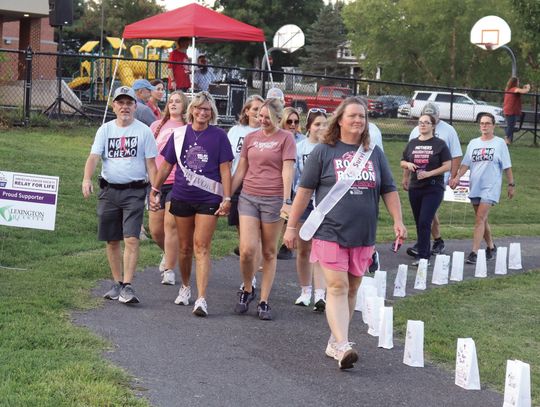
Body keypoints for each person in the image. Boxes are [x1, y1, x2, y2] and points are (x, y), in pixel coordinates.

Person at [283, 97, 406, 369]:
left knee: (352, 289)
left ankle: (336, 340)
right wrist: (292, 226)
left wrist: (398, 220)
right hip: (330, 230)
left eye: (362, 116)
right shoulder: (324, 152)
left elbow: (388, 188)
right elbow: (303, 191)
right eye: (353, 116)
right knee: (336, 286)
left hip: (363, 233)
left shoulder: (374, 153)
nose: (358, 120)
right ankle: (342, 345)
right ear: (340, 119)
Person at [150, 92, 233, 317]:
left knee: (201, 247)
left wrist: (227, 198)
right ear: (192, 110)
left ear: (212, 112)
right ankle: (185, 286)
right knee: (185, 248)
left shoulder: (219, 136)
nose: (202, 112)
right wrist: (155, 189)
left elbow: (226, 169)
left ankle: (202, 298)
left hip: (209, 198)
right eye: (199, 108)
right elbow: (166, 165)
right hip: (182, 196)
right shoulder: (179, 135)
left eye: (207, 109)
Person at [82, 86, 158, 304]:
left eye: (129, 103)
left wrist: (154, 190)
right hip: (109, 191)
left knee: (132, 239)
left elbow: (151, 164)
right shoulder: (105, 130)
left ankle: (127, 285)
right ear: (113, 105)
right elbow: (94, 157)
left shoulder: (144, 131)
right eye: (120, 103)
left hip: (134, 191)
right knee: (112, 240)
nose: (125, 107)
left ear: (135, 106)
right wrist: (86, 179)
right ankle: (116, 283)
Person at [231, 98, 296, 321]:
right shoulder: (250, 138)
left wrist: (287, 200)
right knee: (247, 250)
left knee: (269, 251)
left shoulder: (286, 138)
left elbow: (288, 170)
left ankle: (264, 300)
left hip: (274, 199)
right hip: (248, 196)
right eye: (261, 116)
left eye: (268, 117)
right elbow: (241, 169)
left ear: (279, 118)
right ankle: (248, 289)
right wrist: (227, 195)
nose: (263, 120)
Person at [449, 113, 515, 264]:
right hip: (475, 186)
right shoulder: (473, 143)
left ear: (493, 125)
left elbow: (507, 166)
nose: (484, 126)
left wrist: (511, 184)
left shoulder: (499, 143)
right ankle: (491, 247)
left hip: (490, 187)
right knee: (482, 220)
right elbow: (466, 164)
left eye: (487, 123)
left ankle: (474, 252)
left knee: (479, 219)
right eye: (482, 123)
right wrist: (457, 177)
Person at [404, 103, 462, 257]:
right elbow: (409, 156)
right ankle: (435, 241)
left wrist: (453, 177)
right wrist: (406, 177)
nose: (425, 123)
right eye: (423, 120)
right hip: (416, 182)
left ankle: (423, 248)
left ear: (437, 118)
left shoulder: (448, 132)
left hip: (436, 182)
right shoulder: (415, 133)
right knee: (425, 216)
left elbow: (455, 156)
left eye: (432, 119)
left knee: (426, 217)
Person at [148, 91, 188, 285]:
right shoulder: (157, 126)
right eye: (171, 101)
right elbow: (149, 155)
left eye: (178, 101)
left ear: (185, 105)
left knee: (170, 225)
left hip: (178, 182)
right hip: (158, 181)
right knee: (155, 230)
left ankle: (170, 269)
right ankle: (169, 252)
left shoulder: (187, 127)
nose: (173, 104)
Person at [401, 113, 451, 266]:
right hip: (415, 187)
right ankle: (422, 251)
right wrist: (407, 171)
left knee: (425, 221)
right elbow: (404, 160)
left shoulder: (439, 144)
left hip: (433, 187)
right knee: (419, 222)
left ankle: (424, 257)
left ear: (433, 126)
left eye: (426, 122)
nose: (422, 125)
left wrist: (429, 173)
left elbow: (448, 165)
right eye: (420, 122)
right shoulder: (412, 143)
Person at [292, 109, 328, 311]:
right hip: (304, 201)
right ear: (308, 127)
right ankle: (305, 291)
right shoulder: (300, 148)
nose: (321, 128)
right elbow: (295, 177)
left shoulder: (331, 148)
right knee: (304, 248)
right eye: (317, 124)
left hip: (324, 203)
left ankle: (320, 295)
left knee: (321, 249)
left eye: (324, 124)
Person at [227, 94, 264, 263]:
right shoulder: (236, 131)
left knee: (257, 228)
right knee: (241, 226)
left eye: (261, 110)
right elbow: (228, 159)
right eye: (255, 109)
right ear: (246, 111)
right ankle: (248, 256)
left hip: (258, 183)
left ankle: (257, 258)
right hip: (238, 182)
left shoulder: (266, 132)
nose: (258, 113)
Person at [277, 107, 305, 260]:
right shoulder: (278, 137)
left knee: (289, 215)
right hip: (279, 182)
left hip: (297, 184)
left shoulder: (302, 140)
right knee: (281, 217)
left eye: (296, 121)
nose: (293, 124)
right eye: (289, 121)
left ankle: (286, 245)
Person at [503, 77, 530, 145]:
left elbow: (521, 91)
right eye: (518, 81)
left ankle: (508, 140)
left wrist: (523, 88)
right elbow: (525, 91)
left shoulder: (509, 89)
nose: (518, 83)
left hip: (509, 110)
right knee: (511, 126)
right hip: (511, 111)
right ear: (515, 82)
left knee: (511, 126)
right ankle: (505, 139)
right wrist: (528, 87)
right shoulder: (514, 89)